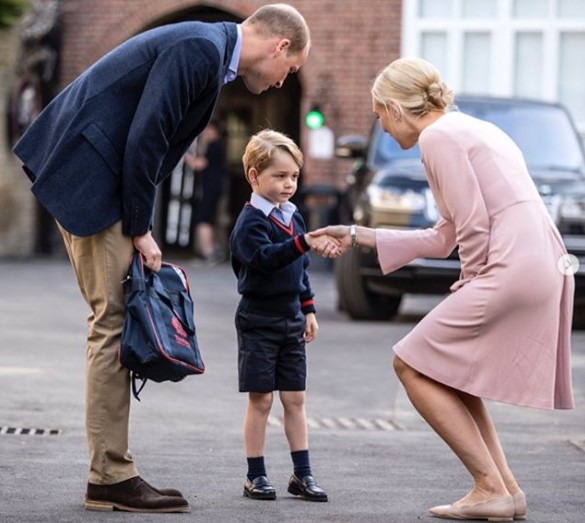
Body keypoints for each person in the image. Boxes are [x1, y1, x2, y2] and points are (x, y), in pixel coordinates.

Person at [11, 4, 310, 513]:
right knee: (111, 323)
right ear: (279, 47)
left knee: (111, 320)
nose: (285, 82)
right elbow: (146, 138)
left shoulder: (209, 50)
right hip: (93, 180)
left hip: (96, 177)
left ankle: (110, 473)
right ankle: (109, 476)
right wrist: (140, 226)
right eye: (292, 69)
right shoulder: (200, 48)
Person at [311, 57, 575, 521]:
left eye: (379, 118)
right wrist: (355, 234)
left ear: (395, 107)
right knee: (454, 373)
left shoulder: (438, 137)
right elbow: (443, 234)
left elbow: (472, 227)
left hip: (509, 265)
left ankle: (489, 486)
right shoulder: (470, 129)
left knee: (410, 363)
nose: (385, 131)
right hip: (539, 260)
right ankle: (505, 490)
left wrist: (470, 283)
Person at [230, 129, 338, 503]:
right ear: (254, 176)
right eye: (279, 175)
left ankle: (302, 474)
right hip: (258, 319)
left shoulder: (294, 218)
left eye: (293, 175)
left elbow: (299, 270)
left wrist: (308, 310)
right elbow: (265, 259)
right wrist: (302, 243)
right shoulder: (250, 223)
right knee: (261, 400)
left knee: (295, 399)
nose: (289, 183)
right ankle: (255, 475)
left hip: (291, 319)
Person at [184, 120, 227, 264]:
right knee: (207, 219)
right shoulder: (217, 146)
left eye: (208, 130)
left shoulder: (215, 146)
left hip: (210, 188)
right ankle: (211, 250)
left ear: (215, 131)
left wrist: (184, 154)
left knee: (202, 219)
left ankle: (208, 252)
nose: (205, 133)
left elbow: (199, 165)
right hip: (214, 188)